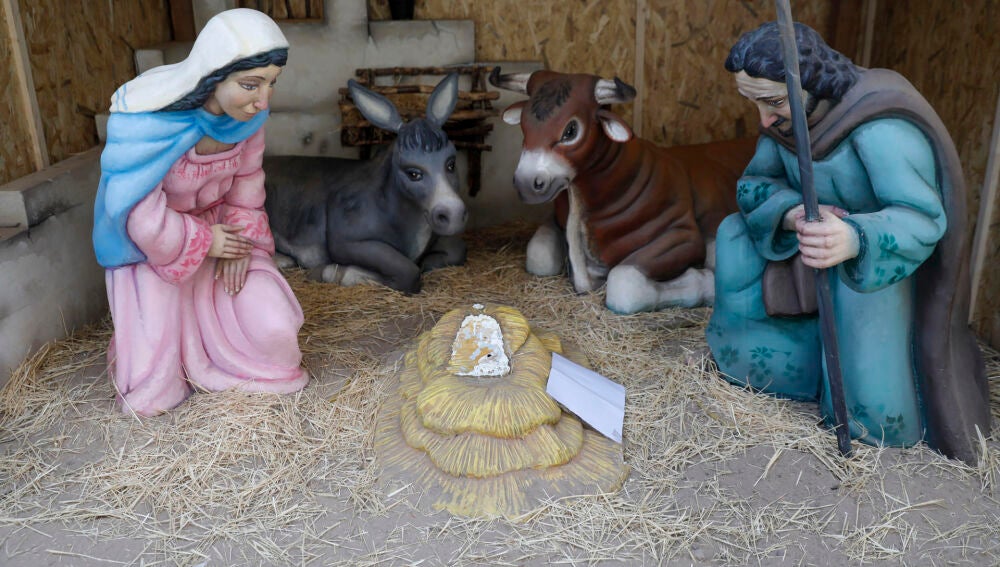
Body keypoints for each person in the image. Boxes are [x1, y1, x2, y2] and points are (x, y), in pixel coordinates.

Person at [706, 21, 989, 463]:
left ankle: (866, 409)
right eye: (755, 103)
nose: (763, 120)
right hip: (806, 250)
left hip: (877, 269)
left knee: (873, 405)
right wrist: (790, 212)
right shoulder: (784, 127)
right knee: (733, 235)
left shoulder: (879, 128)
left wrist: (855, 238)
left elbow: (922, 219)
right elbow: (755, 184)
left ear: (810, 82)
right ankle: (773, 368)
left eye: (773, 102)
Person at [93, 9, 309, 416]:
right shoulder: (147, 123)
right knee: (155, 391)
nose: (263, 101)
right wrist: (206, 242)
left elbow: (247, 189)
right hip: (157, 255)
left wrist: (240, 246)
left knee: (276, 332)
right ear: (213, 75)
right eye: (250, 85)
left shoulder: (248, 119)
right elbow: (138, 213)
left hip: (226, 240)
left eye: (272, 83)